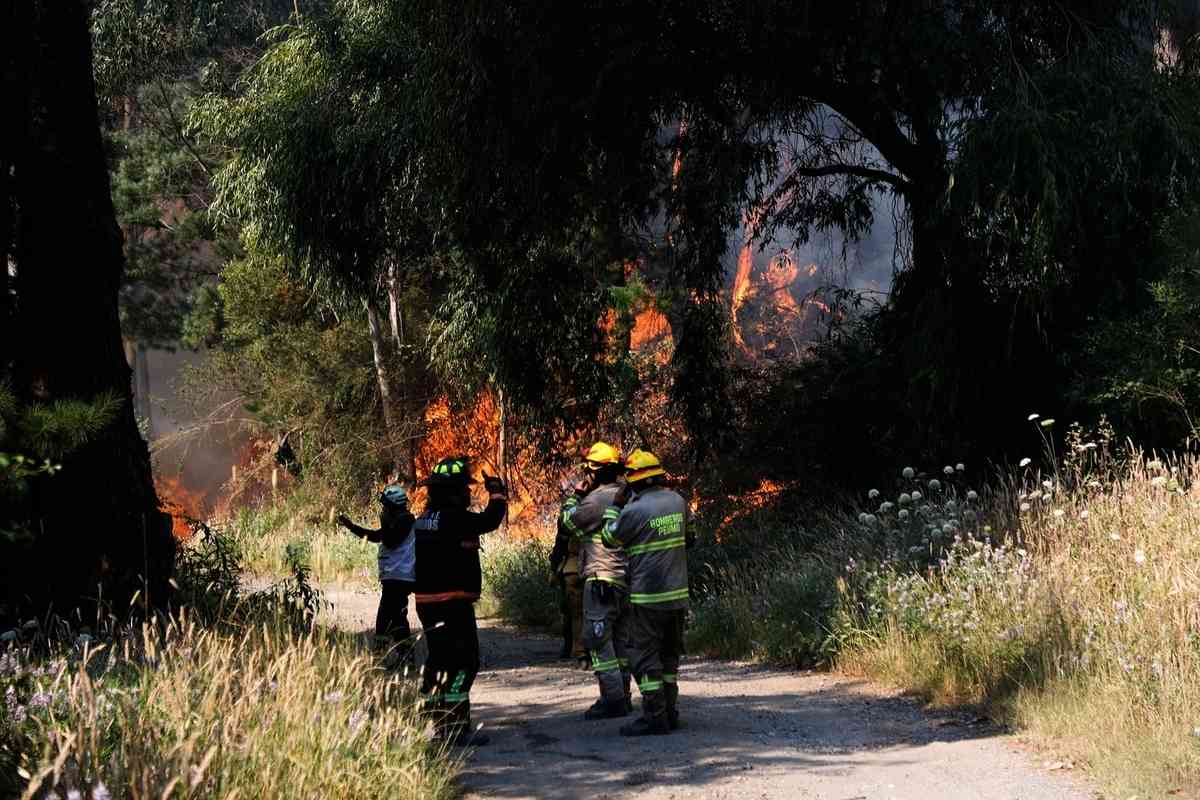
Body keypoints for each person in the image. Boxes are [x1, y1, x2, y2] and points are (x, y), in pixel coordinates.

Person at [412, 456, 507, 747]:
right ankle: (455, 725)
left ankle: (432, 719)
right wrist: (497, 493)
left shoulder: (423, 520)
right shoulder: (455, 518)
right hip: (453, 604)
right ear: (452, 491)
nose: (467, 492)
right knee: (464, 663)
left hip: (427, 603)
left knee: (438, 659)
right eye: (463, 488)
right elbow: (489, 520)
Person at [601, 449, 689, 736]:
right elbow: (690, 538)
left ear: (634, 482)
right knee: (669, 655)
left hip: (647, 598)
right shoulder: (678, 501)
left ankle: (654, 717)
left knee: (643, 657)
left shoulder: (633, 510)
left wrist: (616, 505)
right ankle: (670, 712)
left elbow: (608, 537)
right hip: (678, 594)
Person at [561, 441, 631, 719]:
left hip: (602, 579)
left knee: (598, 640)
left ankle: (612, 701)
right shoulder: (630, 496)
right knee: (622, 642)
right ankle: (623, 695)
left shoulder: (596, 500)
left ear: (595, 472)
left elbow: (567, 523)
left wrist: (574, 497)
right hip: (628, 580)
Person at [336, 484, 416, 666]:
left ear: (393, 506)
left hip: (399, 577)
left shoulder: (405, 520)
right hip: (394, 577)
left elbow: (390, 540)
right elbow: (374, 536)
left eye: (385, 506)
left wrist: (384, 519)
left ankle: (395, 657)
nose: (383, 510)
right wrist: (351, 527)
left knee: (389, 617)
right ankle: (397, 656)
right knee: (392, 617)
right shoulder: (397, 522)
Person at [549, 504, 587, 663]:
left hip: (572, 569)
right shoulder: (598, 510)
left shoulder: (568, 518)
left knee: (572, 613)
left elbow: (560, 546)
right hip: (592, 567)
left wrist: (553, 569)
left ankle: (573, 648)